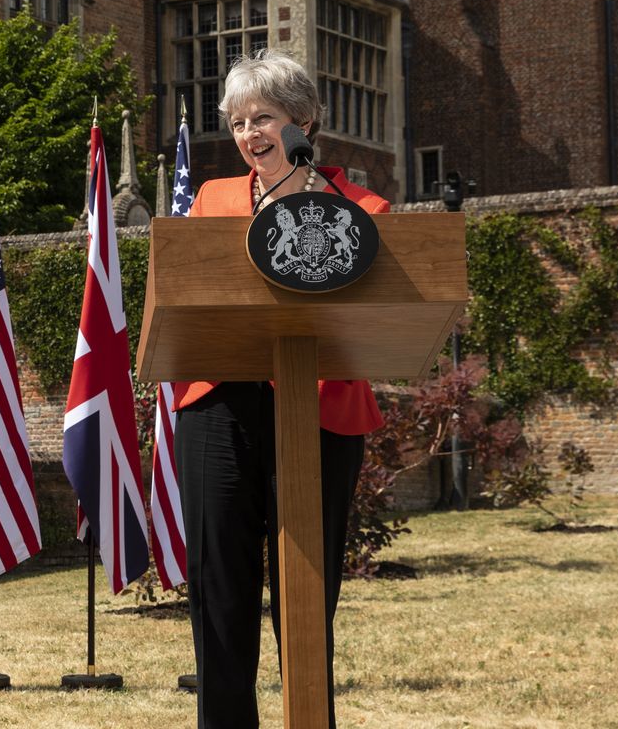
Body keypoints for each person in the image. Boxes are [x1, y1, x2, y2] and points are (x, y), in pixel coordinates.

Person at [172, 48, 388, 729]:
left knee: (304, 595)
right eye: (238, 122)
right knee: (221, 592)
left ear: (304, 121)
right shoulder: (212, 202)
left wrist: (310, 192)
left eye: (262, 118)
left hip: (320, 411)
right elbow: (184, 296)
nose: (248, 135)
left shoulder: (364, 206)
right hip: (220, 405)